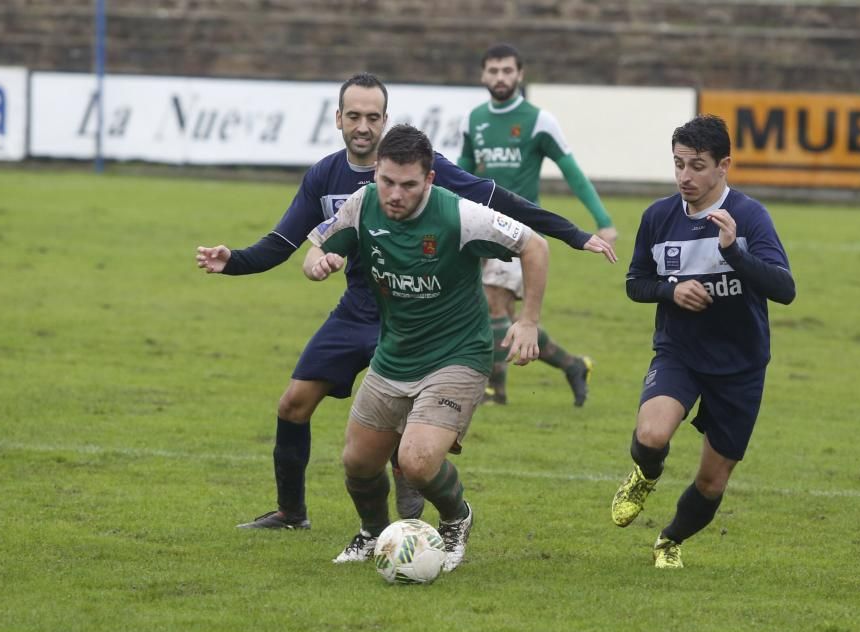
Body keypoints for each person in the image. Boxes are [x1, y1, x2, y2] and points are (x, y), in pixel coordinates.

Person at [196, 73, 615, 530]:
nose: (362, 126)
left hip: (417, 319)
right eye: (353, 116)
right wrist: (234, 260)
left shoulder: (424, 172)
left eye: (372, 117)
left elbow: (505, 204)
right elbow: (285, 241)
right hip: (357, 309)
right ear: (337, 119)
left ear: (385, 121)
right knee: (293, 404)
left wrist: (574, 235)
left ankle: (409, 523)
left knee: (405, 437)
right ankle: (292, 513)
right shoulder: (325, 175)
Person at [304, 124, 549, 570]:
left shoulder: (461, 216)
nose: (395, 194)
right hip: (394, 352)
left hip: (458, 355)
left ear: (430, 179)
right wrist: (319, 261)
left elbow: (535, 246)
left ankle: (457, 519)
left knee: (415, 461)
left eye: (409, 185)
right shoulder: (362, 204)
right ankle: (373, 533)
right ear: (375, 173)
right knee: (358, 462)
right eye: (387, 181)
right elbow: (318, 244)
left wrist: (528, 320)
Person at [609, 114, 796, 569]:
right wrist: (670, 289)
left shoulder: (749, 216)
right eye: (678, 165)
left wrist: (734, 250)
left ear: (723, 166)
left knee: (712, 482)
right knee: (651, 434)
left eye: (696, 166)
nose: (684, 177)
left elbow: (785, 289)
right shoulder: (658, 217)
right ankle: (645, 474)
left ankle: (670, 539)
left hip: (740, 363)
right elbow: (636, 282)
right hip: (680, 352)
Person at [457, 42, 617, 407]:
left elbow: (571, 172)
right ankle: (573, 365)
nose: (500, 77)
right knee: (504, 317)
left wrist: (603, 221)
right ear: (483, 75)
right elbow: (461, 173)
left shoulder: (538, 120)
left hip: (518, 232)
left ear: (520, 74)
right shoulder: (473, 120)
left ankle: (494, 392)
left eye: (507, 70)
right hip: (479, 227)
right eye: (493, 71)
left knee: (493, 305)